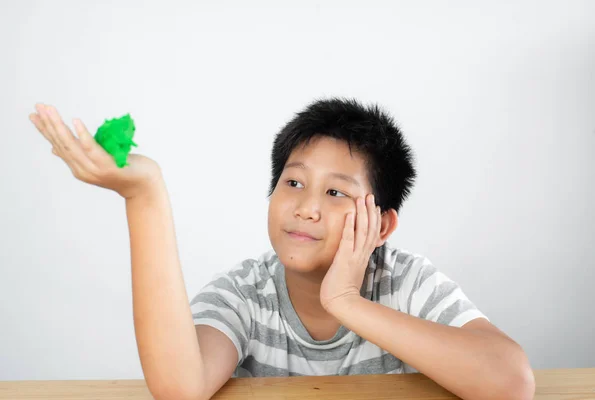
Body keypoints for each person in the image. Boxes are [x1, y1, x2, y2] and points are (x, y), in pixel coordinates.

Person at [29, 98, 535, 400]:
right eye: (293, 183)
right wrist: (144, 194)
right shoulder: (246, 293)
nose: (306, 207)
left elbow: (511, 382)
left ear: (382, 225)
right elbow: (180, 388)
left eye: (335, 193)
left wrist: (347, 303)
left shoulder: (405, 283)